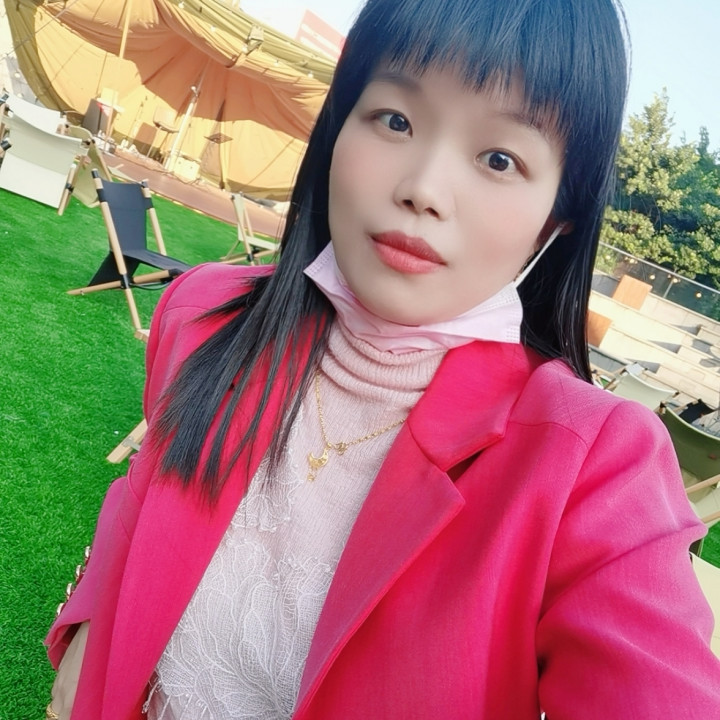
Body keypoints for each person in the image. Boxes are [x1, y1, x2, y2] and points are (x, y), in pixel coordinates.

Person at [46, 0, 720, 717]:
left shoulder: (595, 467)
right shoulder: (205, 314)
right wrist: (88, 627)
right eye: (395, 120)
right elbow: (148, 486)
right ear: (340, 125)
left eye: (500, 159)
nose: (422, 189)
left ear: (556, 217)